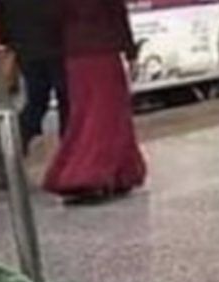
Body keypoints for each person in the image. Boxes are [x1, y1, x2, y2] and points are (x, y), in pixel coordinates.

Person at [44, 0, 147, 205]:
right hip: (102, 50)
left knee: (85, 114)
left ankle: (110, 171)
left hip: (74, 53)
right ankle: (89, 175)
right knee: (109, 114)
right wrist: (131, 52)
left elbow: (51, 18)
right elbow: (116, 13)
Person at [0, 3, 69, 187]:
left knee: (36, 104)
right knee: (67, 101)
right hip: (55, 41)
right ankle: (69, 158)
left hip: (25, 45)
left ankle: (8, 163)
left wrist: (10, 41)